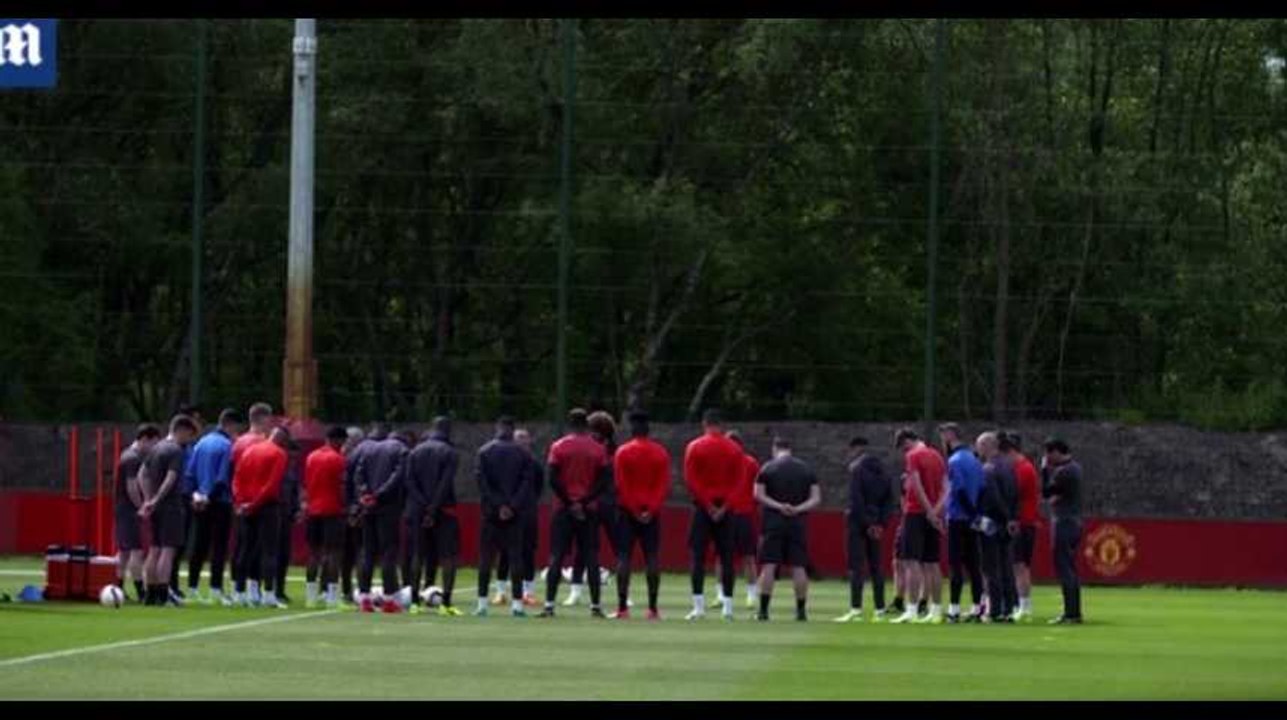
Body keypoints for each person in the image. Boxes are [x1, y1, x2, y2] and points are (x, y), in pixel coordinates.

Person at [541, 409, 611, 618]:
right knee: (591, 556)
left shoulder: (558, 446)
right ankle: (596, 606)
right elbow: (603, 481)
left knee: (557, 556)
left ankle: (549, 605)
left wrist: (570, 502)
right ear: (587, 425)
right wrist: (583, 501)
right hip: (588, 510)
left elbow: (553, 479)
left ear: (570, 424)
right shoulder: (598, 449)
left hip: (563, 509)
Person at [682, 408, 744, 621]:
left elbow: (691, 480)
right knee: (727, 558)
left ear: (704, 424)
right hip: (726, 509)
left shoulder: (695, 446)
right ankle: (728, 608)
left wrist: (708, 505)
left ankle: (698, 607)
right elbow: (739, 482)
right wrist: (725, 506)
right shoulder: (735, 449)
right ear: (722, 424)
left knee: (697, 556)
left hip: (702, 507)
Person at [753, 437, 821, 622]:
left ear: (775, 449)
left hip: (773, 521)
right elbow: (816, 498)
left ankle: (763, 611)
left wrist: (778, 506)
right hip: (797, 522)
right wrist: (797, 508)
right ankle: (800, 611)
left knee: (769, 564)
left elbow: (758, 494)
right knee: (799, 566)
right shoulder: (806, 469)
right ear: (791, 449)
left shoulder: (767, 468)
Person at [611, 410, 671, 620]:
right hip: (651, 512)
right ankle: (653, 609)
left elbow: (621, 485)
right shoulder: (660, 452)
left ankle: (622, 608)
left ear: (632, 430)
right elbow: (662, 485)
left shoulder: (623, 452)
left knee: (624, 557)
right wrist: (650, 509)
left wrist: (634, 509)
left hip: (628, 511)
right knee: (652, 557)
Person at [477, 416, 539, 617]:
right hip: (515, 513)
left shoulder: (484, 451)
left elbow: (482, 484)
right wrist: (511, 506)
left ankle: (482, 604)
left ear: (498, 427)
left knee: (486, 558)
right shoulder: (523, 454)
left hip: (491, 513)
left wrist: (498, 505)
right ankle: (518, 605)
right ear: (512, 430)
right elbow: (526, 483)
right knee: (515, 557)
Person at [403, 416, 462, 616]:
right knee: (448, 557)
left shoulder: (415, 452)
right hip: (443, 510)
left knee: (418, 555)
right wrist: (433, 509)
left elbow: (410, 483)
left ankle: (413, 603)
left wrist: (424, 507)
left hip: (418, 510)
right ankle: (446, 603)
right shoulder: (450, 452)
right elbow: (445, 484)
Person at [138, 415, 199, 606]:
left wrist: (148, 499)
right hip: (171, 505)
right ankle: (164, 594)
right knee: (167, 550)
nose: (189, 440)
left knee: (154, 549)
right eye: (189, 435)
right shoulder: (175, 450)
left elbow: (142, 474)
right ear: (181, 430)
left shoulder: (156, 448)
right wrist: (157, 498)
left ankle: (150, 593)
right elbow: (171, 478)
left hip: (155, 506)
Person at [184, 408, 242, 606]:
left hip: (199, 501)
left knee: (198, 545)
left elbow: (190, 475)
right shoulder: (227, 446)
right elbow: (222, 479)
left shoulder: (200, 443)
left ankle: (191, 588)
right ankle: (215, 589)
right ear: (231, 425)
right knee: (219, 547)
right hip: (219, 502)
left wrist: (196, 496)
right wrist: (209, 497)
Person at [231, 426, 293, 609]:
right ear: (282, 440)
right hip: (266, 506)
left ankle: (240, 592)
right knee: (269, 551)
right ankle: (268, 594)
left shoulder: (249, 450)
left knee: (245, 549)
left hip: (245, 505)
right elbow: (271, 485)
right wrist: (255, 503)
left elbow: (237, 478)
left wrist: (241, 502)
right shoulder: (279, 454)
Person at [890, 427, 947, 624]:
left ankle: (912, 610)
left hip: (915, 513)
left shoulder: (913, 456)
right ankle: (936, 610)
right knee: (932, 563)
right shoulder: (937, 455)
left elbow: (916, 485)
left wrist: (929, 510)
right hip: (933, 513)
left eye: (902, 446)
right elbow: (946, 488)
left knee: (911, 562)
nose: (904, 451)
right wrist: (936, 511)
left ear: (907, 441)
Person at [834, 436, 893, 623]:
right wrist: (879, 524)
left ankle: (856, 609)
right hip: (876, 522)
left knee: (856, 566)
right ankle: (880, 609)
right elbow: (889, 500)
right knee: (876, 567)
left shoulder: (856, 469)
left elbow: (856, 500)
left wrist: (867, 523)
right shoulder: (883, 470)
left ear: (856, 448)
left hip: (858, 523)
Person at [354, 428, 413, 613]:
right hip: (388, 506)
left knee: (368, 551)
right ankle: (389, 598)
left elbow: (359, 473)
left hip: (369, 505)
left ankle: (364, 597)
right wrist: (379, 495)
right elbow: (398, 477)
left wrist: (365, 494)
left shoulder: (370, 449)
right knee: (389, 551)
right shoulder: (402, 450)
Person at [940, 423, 985, 623]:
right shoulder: (975, 460)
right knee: (974, 564)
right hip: (973, 518)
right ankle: (976, 608)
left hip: (958, 517)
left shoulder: (955, 461)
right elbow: (982, 489)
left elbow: (958, 490)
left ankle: (954, 609)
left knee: (955, 564)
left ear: (950, 436)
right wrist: (977, 514)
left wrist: (970, 512)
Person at [302, 425, 348, 609]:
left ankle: (311, 597)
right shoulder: (338, 459)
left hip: (313, 510)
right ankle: (331, 596)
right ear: (338, 440)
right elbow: (341, 487)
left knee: (313, 554)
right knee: (333, 554)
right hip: (333, 511)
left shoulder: (311, 457)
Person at [116, 424, 161, 603]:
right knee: (135, 551)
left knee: (124, 551)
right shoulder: (132, 458)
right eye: (153, 443)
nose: (154, 448)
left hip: (122, 509)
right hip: (129, 510)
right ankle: (141, 591)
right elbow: (131, 486)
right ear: (144, 439)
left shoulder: (127, 454)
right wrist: (142, 506)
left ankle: (118, 588)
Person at [974, 431, 1016, 623]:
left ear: (986, 446)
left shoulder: (987, 469)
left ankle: (995, 610)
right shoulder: (1008, 467)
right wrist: (1011, 518)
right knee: (1005, 566)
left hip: (991, 522)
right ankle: (1009, 608)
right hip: (1006, 523)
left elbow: (992, 499)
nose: (977, 450)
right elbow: (1013, 495)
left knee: (991, 568)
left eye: (979, 446)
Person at [1042, 437, 1083, 625]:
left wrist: (1044, 471)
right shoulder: (1076, 468)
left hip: (1064, 522)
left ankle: (1071, 613)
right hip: (1075, 521)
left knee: (1064, 567)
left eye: (1049, 454)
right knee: (1070, 568)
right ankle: (1073, 611)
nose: (1048, 458)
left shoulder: (1064, 471)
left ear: (1057, 451)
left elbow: (1046, 492)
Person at [340, 425, 380, 604]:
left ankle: (348, 589)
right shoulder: (364, 456)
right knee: (361, 550)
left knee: (348, 552)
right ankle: (361, 588)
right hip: (360, 508)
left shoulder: (346, 457)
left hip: (347, 509)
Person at [1005, 430, 1040, 621]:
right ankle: (1023, 604)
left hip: (1022, 522)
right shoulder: (1024, 467)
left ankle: (1024, 606)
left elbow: (1014, 496)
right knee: (1020, 565)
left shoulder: (1022, 469)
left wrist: (1013, 519)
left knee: (1020, 566)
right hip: (1025, 521)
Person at [724, 430, 761, 610]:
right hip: (732, 513)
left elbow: (757, 488)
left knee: (747, 557)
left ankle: (751, 594)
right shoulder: (726, 463)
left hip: (742, 513)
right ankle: (726, 594)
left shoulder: (750, 463)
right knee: (726, 557)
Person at [513, 428, 544, 606]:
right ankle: (502, 591)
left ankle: (528, 592)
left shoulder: (535, 464)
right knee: (507, 552)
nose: (522, 441)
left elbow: (538, 486)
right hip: (511, 512)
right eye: (519, 438)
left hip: (528, 513)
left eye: (525, 438)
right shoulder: (509, 462)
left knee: (528, 551)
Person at [275, 439, 304, 604]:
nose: (292, 461)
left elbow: (293, 494)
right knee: (273, 554)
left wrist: (296, 510)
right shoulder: (278, 468)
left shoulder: (292, 472)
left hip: (286, 516)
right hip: (275, 513)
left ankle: (279, 589)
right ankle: (270, 589)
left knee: (283, 555)